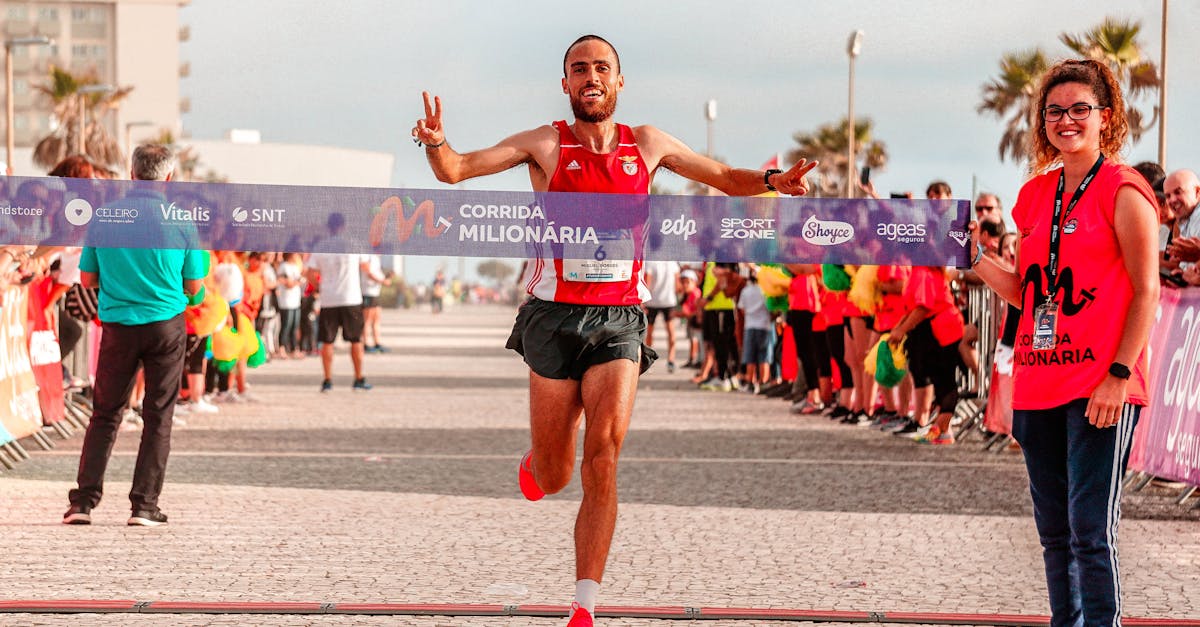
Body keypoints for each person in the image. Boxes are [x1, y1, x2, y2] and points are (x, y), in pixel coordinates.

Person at [412, 34, 815, 627]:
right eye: (580, 69)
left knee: (603, 454)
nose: (591, 77)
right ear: (566, 83)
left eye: (603, 68)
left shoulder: (646, 144)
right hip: (552, 317)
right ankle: (539, 462)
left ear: (619, 82)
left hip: (619, 318)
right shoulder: (545, 143)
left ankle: (584, 606)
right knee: (555, 474)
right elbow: (457, 171)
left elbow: (727, 177)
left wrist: (773, 181)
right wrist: (436, 142)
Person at [970, 59, 1159, 626]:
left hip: (1099, 384)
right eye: (1055, 111)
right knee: (1053, 532)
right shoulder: (1032, 195)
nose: (1067, 120)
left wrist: (1118, 376)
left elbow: (1147, 292)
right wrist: (975, 259)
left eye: (1080, 109)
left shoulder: (1126, 190)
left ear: (1106, 116)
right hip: (1037, 383)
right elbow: (1027, 292)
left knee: (1089, 531)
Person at [62, 144, 208, 527]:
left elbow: (88, 279)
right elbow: (194, 285)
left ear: (132, 173)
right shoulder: (181, 219)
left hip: (118, 325)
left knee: (105, 413)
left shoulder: (106, 216)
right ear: (170, 178)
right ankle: (144, 506)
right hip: (165, 325)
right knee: (159, 416)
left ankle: (83, 503)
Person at [306, 214, 373, 392]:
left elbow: (310, 273)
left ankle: (327, 381)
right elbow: (366, 267)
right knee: (356, 340)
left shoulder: (320, 246)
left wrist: (320, 287)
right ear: (344, 226)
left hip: (329, 299)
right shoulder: (353, 244)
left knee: (327, 342)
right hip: (351, 298)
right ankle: (358, 378)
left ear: (328, 227)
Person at [641, 259, 680, 372]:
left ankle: (648, 360)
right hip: (669, 301)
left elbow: (647, 283)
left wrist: (643, 302)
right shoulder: (673, 263)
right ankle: (671, 361)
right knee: (671, 332)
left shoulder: (650, 262)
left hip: (652, 302)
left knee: (650, 333)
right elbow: (677, 286)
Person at [360, 253, 392, 352]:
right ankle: (365, 344)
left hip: (375, 293)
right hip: (368, 292)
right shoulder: (366, 256)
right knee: (367, 320)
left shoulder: (377, 258)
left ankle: (377, 343)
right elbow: (369, 273)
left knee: (376, 319)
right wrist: (383, 281)